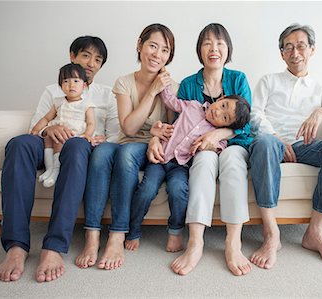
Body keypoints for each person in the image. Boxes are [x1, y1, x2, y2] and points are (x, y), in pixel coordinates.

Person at [0, 36, 118, 283]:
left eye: (98, 59)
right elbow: (35, 125)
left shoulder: (106, 94)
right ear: (72, 56)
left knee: (76, 146)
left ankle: (54, 246)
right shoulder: (53, 90)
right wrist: (47, 130)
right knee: (19, 145)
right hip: (49, 143)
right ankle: (16, 246)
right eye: (86, 55)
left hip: (81, 148)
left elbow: (116, 133)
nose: (91, 63)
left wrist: (97, 138)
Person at [249, 23, 322, 270]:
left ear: (312, 50)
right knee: (264, 142)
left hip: (305, 146)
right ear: (282, 54)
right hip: (272, 142)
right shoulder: (269, 81)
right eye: (288, 47)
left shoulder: (320, 88)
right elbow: (254, 114)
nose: (294, 52)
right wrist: (276, 137)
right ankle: (271, 234)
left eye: (300, 46)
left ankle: (316, 233)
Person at [148, 23, 253, 276]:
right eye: (207, 43)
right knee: (204, 161)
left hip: (233, 143)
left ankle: (233, 242)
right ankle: (195, 242)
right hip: (199, 149)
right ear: (199, 49)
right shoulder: (188, 84)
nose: (213, 48)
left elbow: (246, 126)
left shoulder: (238, 79)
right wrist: (155, 137)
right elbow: (176, 124)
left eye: (219, 43)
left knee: (232, 162)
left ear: (228, 49)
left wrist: (218, 133)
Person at [75, 23, 182, 270]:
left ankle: (117, 234)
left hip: (152, 149)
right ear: (139, 45)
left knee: (125, 155)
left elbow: (172, 131)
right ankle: (92, 236)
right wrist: (153, 90)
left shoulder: (172, 88)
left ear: (169, 56)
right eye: (153, 46)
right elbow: (129, 128)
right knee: (101, 153)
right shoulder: (124, 82)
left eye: (165, 50)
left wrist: (156, 136)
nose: (157, 54)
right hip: (127, 141)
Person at [128, 84, 251, 253]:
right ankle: (133, 230)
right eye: (223, 106)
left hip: (181, 166)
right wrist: (164, 84)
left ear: (225, 126)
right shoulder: (193, 106)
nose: (218, 112)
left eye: (224, 117)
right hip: (160, 158)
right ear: (221, 99)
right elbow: (171, 102)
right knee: (146, 190)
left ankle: (175, 232)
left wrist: (206, 146)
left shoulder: (214, 134)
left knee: (179, 191)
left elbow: (218, 148)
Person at [31, 63, 96, 187]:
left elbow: (91, 123)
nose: (71, 85)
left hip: (73, 133)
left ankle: (56, 170)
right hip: (57, 129)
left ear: (84, 85)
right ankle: (49, 169)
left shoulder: (87, 104)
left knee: (59, 141)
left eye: (76, 81)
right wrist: (36, 129)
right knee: (48, 140)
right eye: (66, 81)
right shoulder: (58, 101)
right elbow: (46, 118)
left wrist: (87, 134)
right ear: (61, 86)